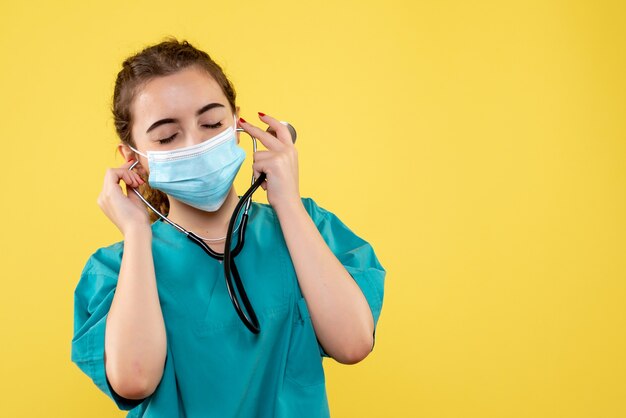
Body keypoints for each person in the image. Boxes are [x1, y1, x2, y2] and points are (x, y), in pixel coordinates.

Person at [71, 38, 386, 418]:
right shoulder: (116, 270)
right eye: (168, 136)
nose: (197, 143)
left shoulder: (307, 228)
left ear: (238, 125)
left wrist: (286, 202)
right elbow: (135, 379)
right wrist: (137, 233)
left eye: (212, 123)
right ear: (133, 158)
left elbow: (353, 344)